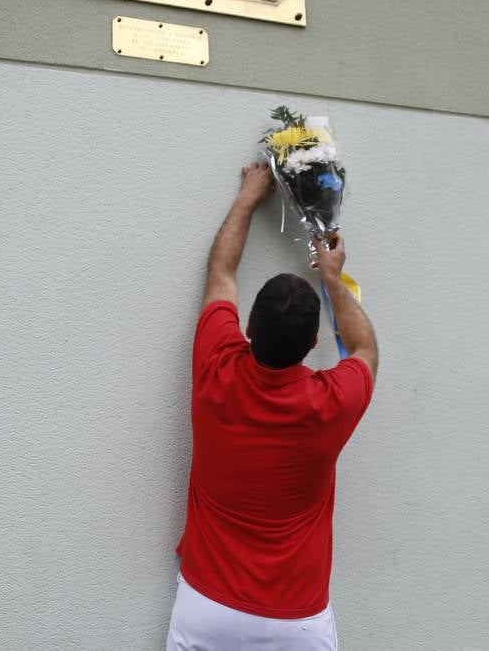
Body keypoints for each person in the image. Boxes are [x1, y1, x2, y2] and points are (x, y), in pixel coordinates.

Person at [166, 163, 378, 650]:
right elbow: (365, 350)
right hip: (296, 622)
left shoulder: (216, 363)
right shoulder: (331, 402)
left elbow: (221, 272)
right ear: (311, 346)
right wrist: (333, 277)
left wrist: (248, 195)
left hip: (207, 608)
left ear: (250, 330)